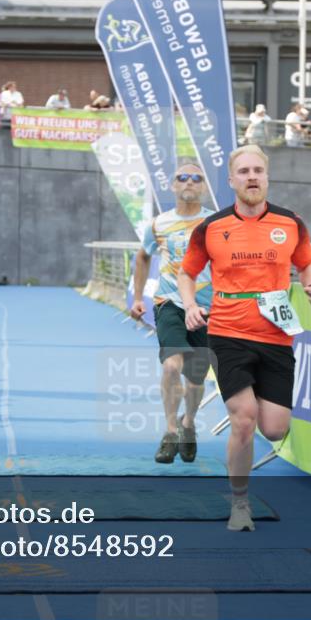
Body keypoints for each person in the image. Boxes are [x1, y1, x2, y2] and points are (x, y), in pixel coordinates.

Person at [179, 144, 311, 532]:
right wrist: (191, 304)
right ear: (231, 180)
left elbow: (307, 261)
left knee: (275, 428)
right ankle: (240, 504)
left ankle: (250, 440)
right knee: (243, 420)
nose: (252, 177)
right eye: (243, 172)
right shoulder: (211, 227)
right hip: (227, 331)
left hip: (276, 335)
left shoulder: (290, 222)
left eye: (258, 170)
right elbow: (187, 272)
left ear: (267, 176)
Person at [131, 162, 214, 464]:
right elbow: (142, 257)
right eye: (183, 177)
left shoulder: (216, 224)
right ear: (172, 185)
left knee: (195, 380)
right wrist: (139, 298)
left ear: (204, 187)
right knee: (170, 366)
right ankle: (169, 431)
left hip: (207, 308)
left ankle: (187, 424)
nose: (190, 182)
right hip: (168, 303)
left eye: (197, 178)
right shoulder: (159, 224)